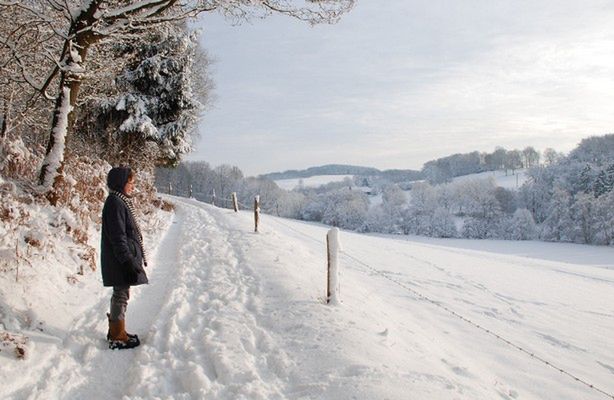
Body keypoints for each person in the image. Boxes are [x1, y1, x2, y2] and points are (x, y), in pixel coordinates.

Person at [100, 166, 148, 350]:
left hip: (121, 258)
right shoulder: (115, 203)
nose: (132, 186)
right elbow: (118, 236)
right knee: (121, 295)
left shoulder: (119, 201)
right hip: (120, 259)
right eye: (130, 182)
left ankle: (117, 331)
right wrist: (127, 261)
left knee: (121, 293)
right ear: (121, 183)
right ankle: (117, 336)